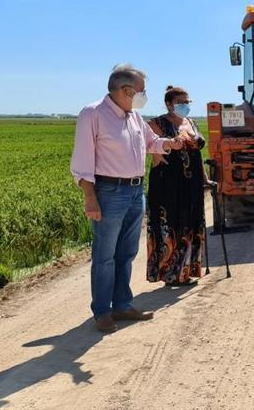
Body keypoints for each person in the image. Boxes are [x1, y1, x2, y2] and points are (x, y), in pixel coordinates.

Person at [70, 64, 186, 334]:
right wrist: (90, 198)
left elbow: (151, 143)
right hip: (109, 193)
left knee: (127, 253)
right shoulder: (93, 114)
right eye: (141, 91)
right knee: (105, 256)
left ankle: (122, 304)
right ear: (125, 90)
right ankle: (102, 311)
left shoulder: (133, 116)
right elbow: (82, 162)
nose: (144, 97)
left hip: (135, 191)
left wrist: (169, 143)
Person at [145, 85, 207, 287]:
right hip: (168, 184)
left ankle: (186, 271)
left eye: (187, 102)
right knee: (171, 226)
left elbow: (197, 154)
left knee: (190, 224)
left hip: (192, 183)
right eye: (180, 102)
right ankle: (170, 274)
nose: (185, 105)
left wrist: (205, 178)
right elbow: (149, 146)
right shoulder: (157, 124)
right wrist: (157, 154)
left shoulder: (191, 122)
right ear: (168, 104)